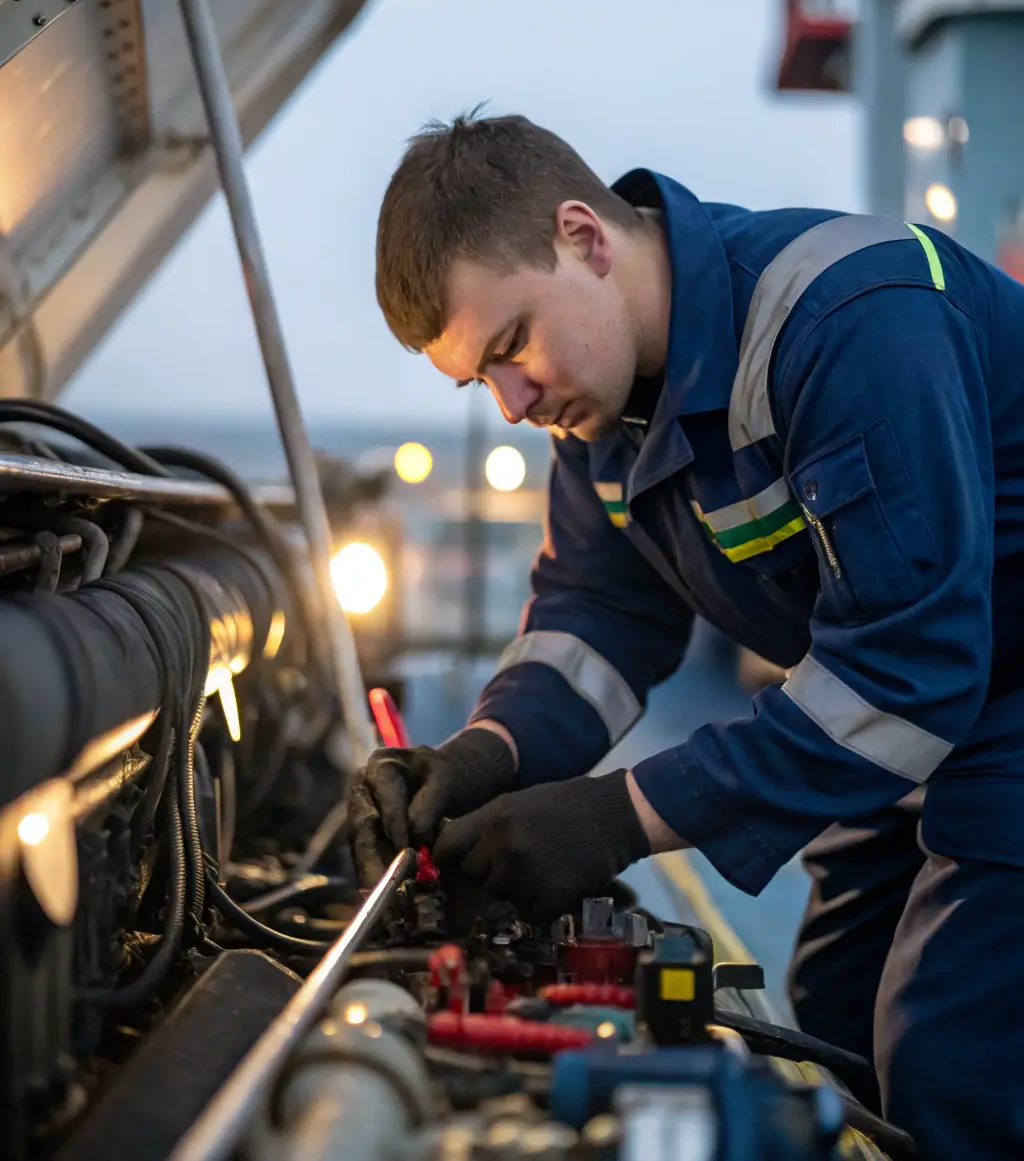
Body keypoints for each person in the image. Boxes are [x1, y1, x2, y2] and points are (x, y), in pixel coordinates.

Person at [350, 111, 1024, 1159]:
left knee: (953, 1061)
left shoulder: (849, 319)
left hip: (984, 700)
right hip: (946, 709)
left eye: (511, 345)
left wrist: (621, 814)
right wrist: (485, 754)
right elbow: (595, 623)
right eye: (480, 382)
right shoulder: (602, 418)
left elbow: (907, 671)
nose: (514, 402)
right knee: (834, 1009)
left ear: (584, 237)